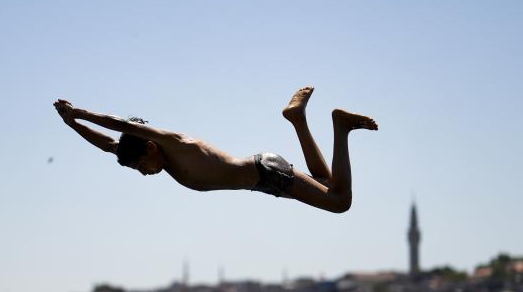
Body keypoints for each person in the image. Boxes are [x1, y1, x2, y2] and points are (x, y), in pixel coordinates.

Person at [53, 86, 377, 213]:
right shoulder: (159, 158)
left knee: (340, 202)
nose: (145, 174)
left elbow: (123, 127)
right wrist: (73, 126)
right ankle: (297, 120)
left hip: (265, 172)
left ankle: (340, 127)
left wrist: (81, 112)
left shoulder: (174, 143)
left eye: (142, 167)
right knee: (326, 182)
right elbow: (111, 144)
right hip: (263, 179)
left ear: (150, 148)